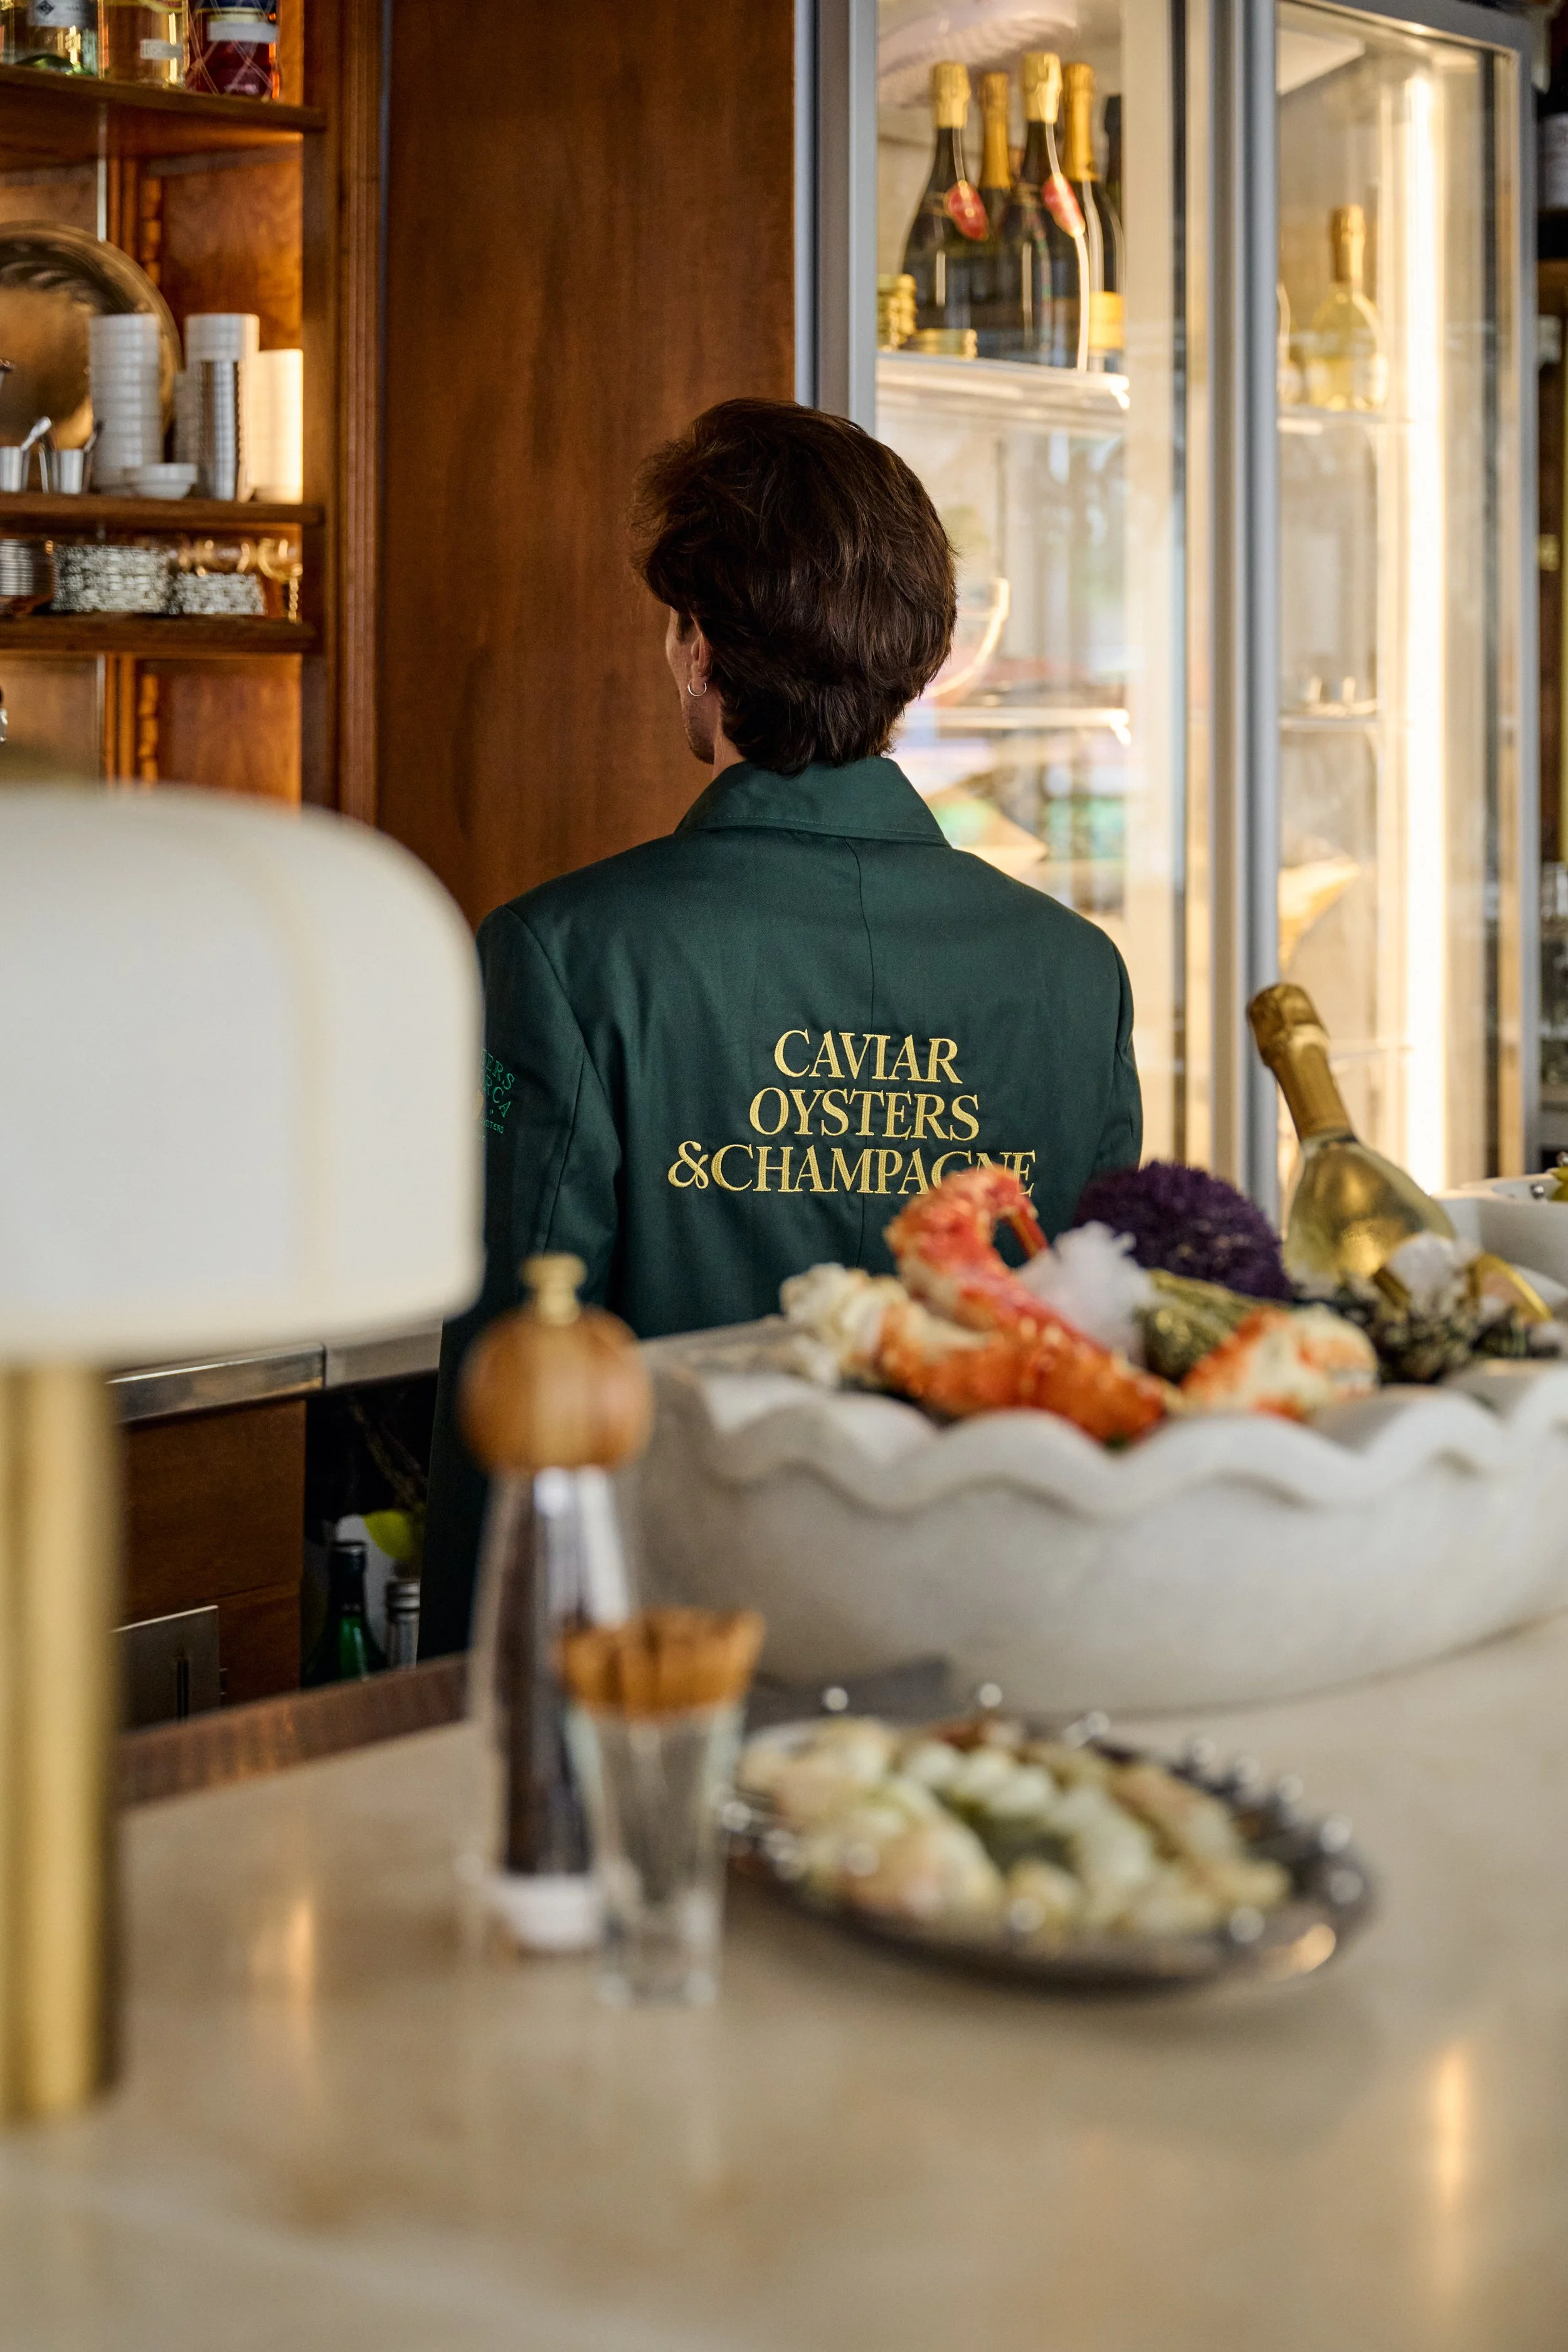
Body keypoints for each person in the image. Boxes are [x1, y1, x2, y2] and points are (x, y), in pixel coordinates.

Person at [419, 397, 1140, 1653]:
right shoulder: (1075, 975)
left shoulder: (561, 955)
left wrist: (468, 1703)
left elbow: (524, 1384)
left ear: (698, 646)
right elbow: (1102, 1354)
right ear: (920, 659)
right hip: (991, 1630)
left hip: (673, 1652)